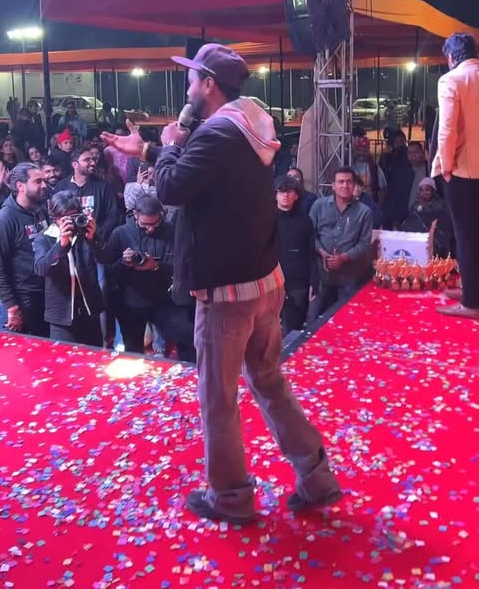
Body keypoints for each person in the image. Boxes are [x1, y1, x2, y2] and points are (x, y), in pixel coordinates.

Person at [101, 43, 342, 523]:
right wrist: (149, 149)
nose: (187, 86)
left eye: (192, 78)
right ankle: (317, 476)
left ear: (208, 85)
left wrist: (169, 142)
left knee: (218, 397)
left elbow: (172, 187)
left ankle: (230, 497)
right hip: (264, 282)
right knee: (269, 380)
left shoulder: (215, 134)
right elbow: (199, 173)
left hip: (227, 294)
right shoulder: (249, 122)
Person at [431, 33, 479, 319]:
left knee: (466, 236)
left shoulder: (452, 80)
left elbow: (447, 130)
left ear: (450, 57)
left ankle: (471, 302)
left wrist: (446, 167)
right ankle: (471, 290)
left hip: (462, 171)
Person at [33, 191, 109, 346]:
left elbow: (107, 259)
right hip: (61, 317)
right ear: (55, 217)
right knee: (63, 359)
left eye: (74, 216)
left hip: (90, 311)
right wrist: (61, 244)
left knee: (93, 357)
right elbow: (40, 268)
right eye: (65, 217)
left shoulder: (86, 233)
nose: (70, 221)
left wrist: (93, 238)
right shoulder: (44, 237)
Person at [106, 195, 176, 355]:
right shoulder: (120, 233)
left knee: (184, 337)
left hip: (164, 300)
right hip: (131, 302)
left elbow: (180, 266)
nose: (150, 229)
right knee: (133, 350)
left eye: (155, 223)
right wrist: (123, 262)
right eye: (145, 225)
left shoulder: (170, 231)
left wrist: (156, 265)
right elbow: (109, 271)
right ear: (135, 215)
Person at [309, 167, 373, 314]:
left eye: (349, 182)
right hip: (321, 274)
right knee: (313, 319)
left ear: (354, 185)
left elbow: (364, 244)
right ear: (333, 185)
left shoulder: (364, 212)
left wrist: (343, 258)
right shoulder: (319, 206)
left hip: (349, 276)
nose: (345, 185)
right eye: (341, 182)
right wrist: (322, 253)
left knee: (347, 318)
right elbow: (309, 235)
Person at [0, 163, 48, 336]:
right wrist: (11, 305)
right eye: (38, 181)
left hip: (45, 294)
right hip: (22, 300)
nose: (44, 185)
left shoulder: (40, 212)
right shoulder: (5, 219)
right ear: (21, 186)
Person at [275, 176, 318, 335]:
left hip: (297, 283)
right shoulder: (266, 219)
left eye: (289, 191)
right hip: (271, 282)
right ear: (275, 195)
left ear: (297, 195)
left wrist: (314, 281)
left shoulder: (305, 221)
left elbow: (311, 254)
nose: (285, 195)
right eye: (281, 191)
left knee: (293, 331)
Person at [54, 146, 120, 242]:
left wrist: (99, 234)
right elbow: (55, 215)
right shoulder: (61, 187)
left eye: (93, 160)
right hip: (69, 240)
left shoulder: (104, 186)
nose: (93, 163)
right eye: (87, 160)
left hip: (95, 241)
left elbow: (113, 214)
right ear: (75, 164)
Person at [401, 176, 452, 256]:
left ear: (433, 190)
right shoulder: (417, 202)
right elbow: (411, 217)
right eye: (421, 190)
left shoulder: (440, 203)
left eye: (427, 190)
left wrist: (423, 205)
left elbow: (434, 218)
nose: (424, 193)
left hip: (436, 240)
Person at [352, 135, 387, 205]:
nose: (361, 153)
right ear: (355, 151)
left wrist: (378, 206)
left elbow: (384, 188)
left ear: (368, 150)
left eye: (364, 150)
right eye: (359, 150)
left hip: (370, 206)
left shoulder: (375, 168)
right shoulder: (350, 167)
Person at [406, 141, 428, 213]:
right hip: (408, 214)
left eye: (416, 152)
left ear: (423, 153)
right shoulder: (404, 172)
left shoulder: (430, 169)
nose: (413, 156)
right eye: (410, 153)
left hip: (428, 212)